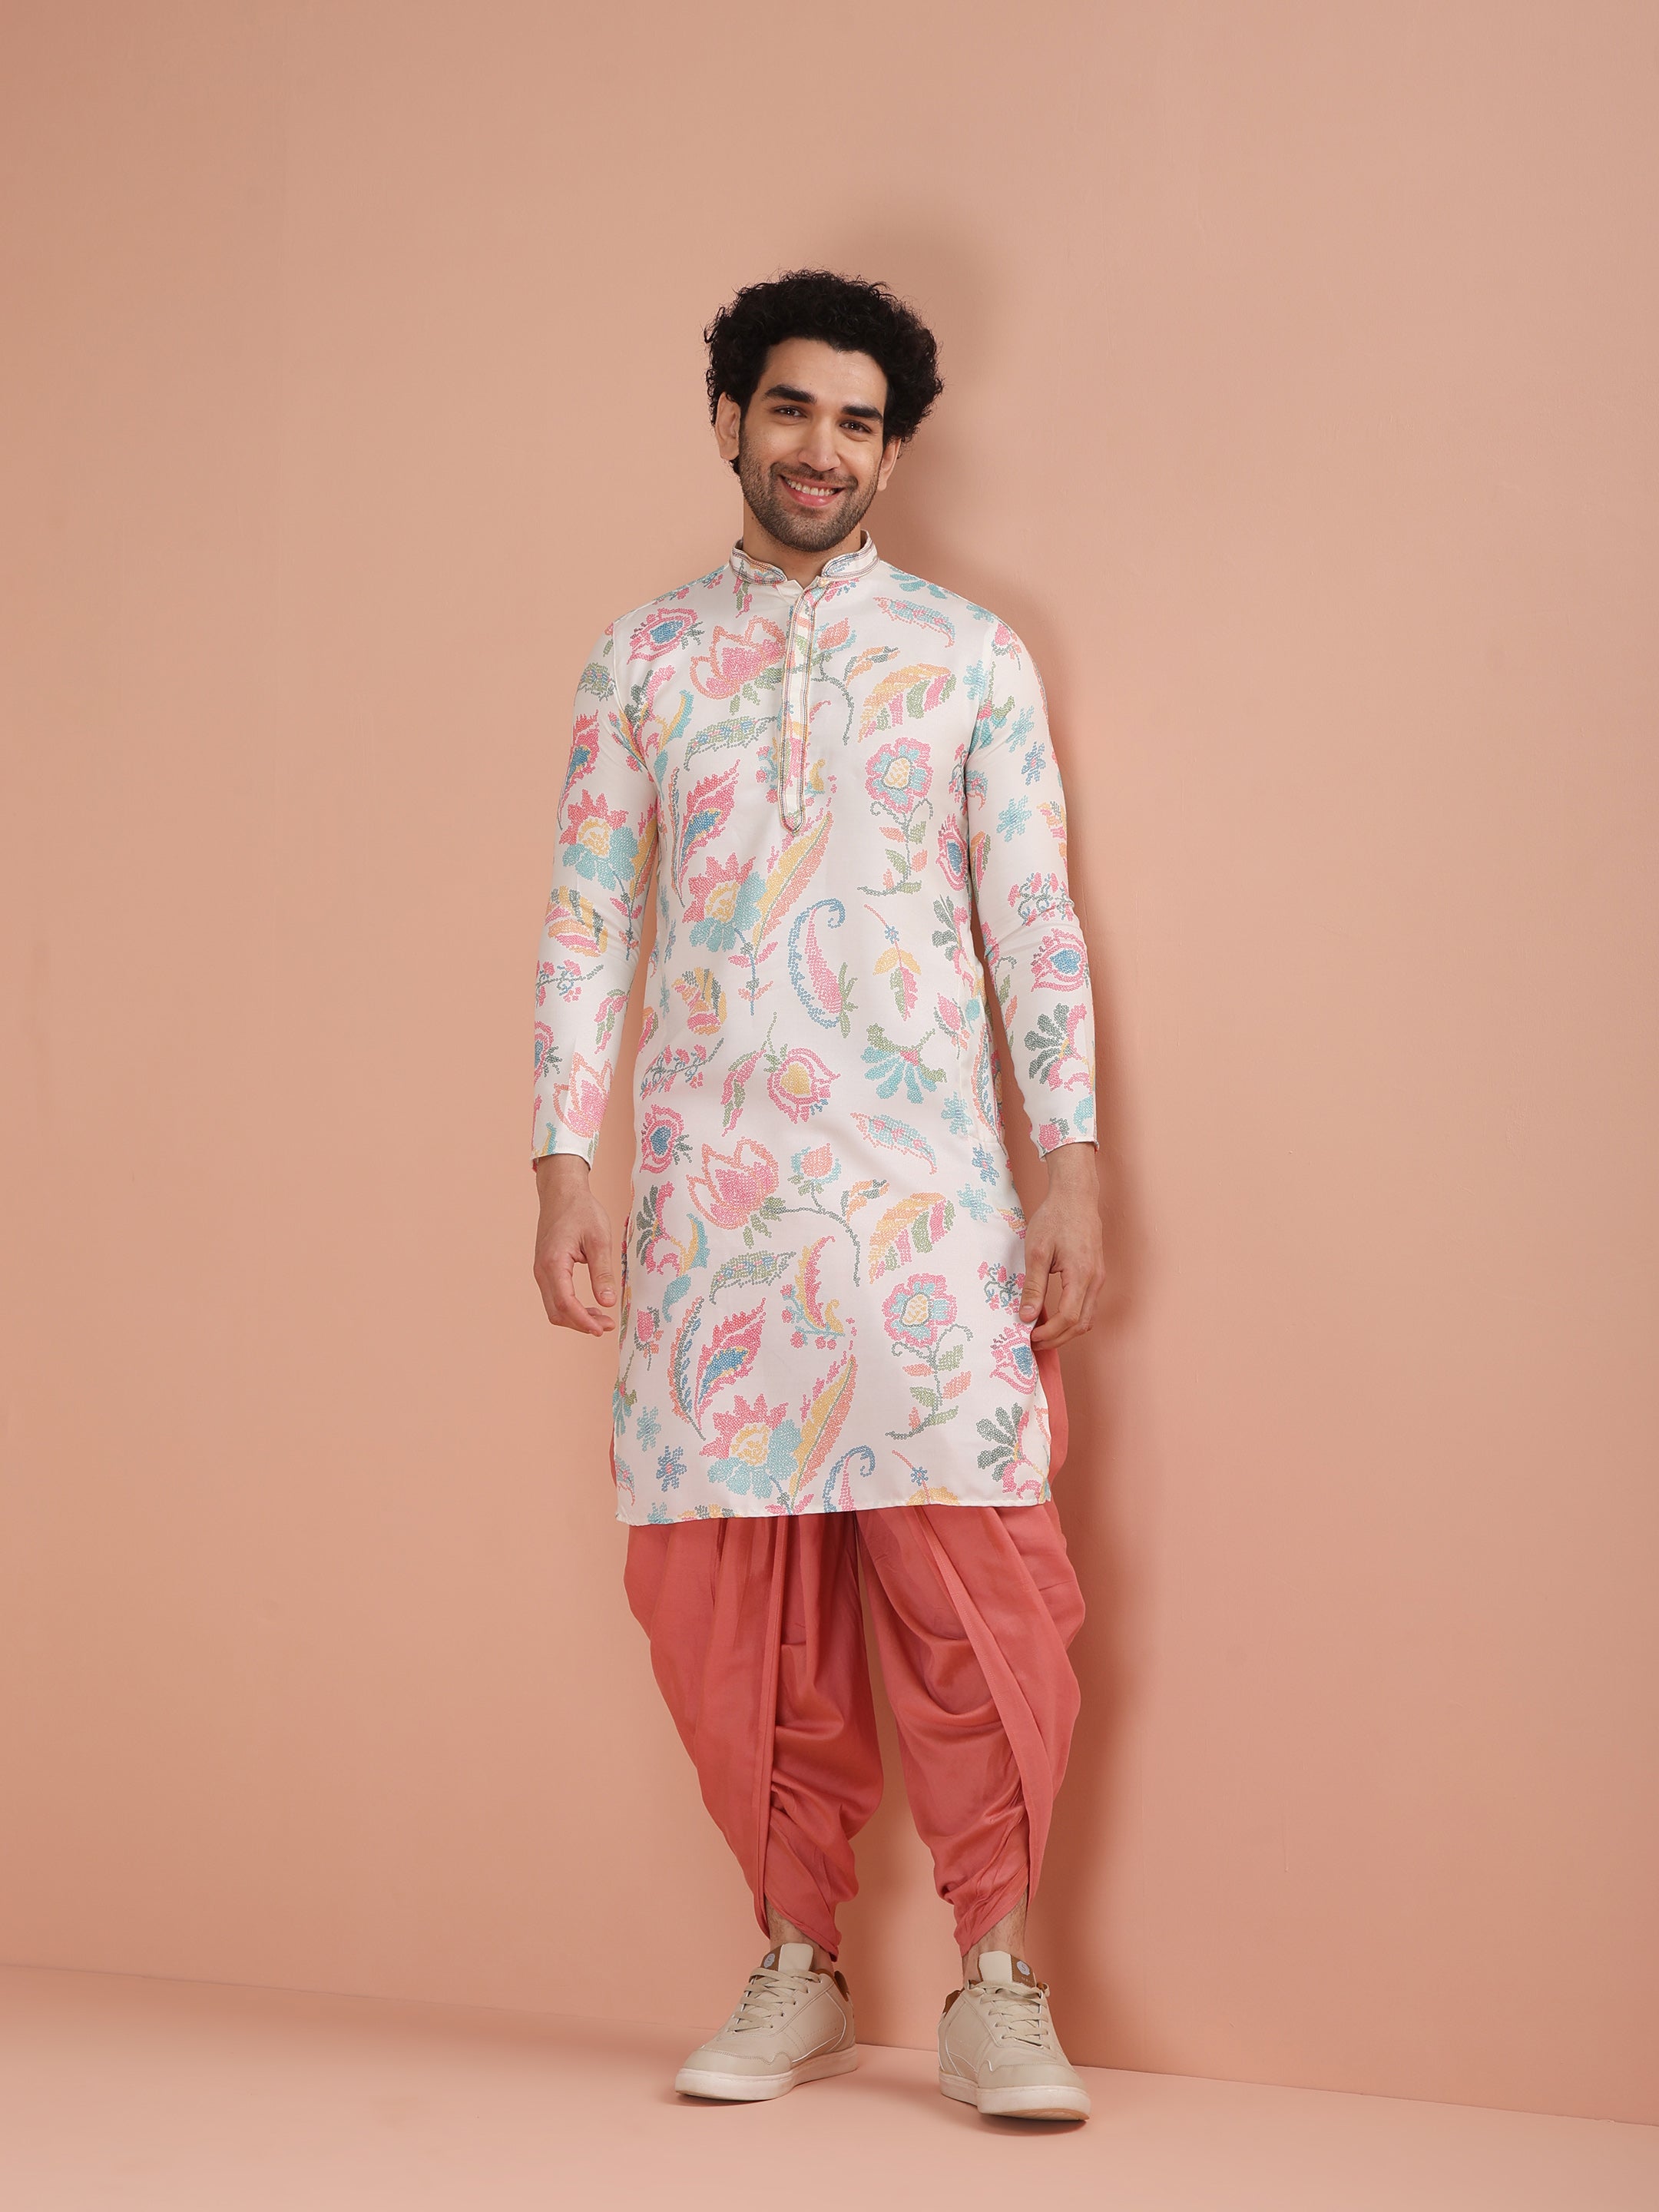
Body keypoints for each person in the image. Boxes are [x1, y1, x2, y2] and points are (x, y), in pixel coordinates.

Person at [531, 270, 1106, 2121]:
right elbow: (588, 924)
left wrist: (1070, 1167)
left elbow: (1034, 923)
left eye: (858, 423)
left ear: (892, 453)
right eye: (791, 409)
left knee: (987, 1599)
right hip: (715, 1208)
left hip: (931, 1205)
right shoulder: (642, 661)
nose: (820, 448)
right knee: (726, 1608)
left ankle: (1000, 1985)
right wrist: (563, 1165)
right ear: (730, 420)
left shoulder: (969, 657)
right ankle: (797, 1965)